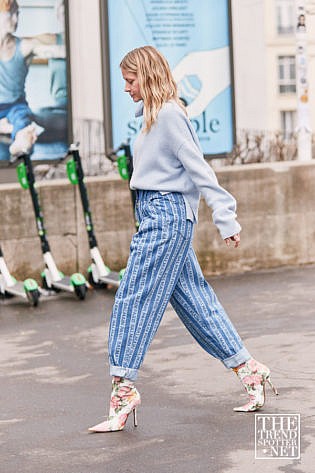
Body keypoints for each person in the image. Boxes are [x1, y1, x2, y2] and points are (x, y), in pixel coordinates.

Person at [88, 46, 278, 433]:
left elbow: (201, 171)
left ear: (148, 75)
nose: (125, 88)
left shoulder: (171, 116)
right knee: (195, 301)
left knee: (133, 295)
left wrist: (226, 218)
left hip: (165, 216)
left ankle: (123, 388)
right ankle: (249, 369)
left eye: (130, 80)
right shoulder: (154, 117)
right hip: (158, 215)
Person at [0, 0, 65, 157]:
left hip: (15, 108)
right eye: (11, 14)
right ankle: (7, 128)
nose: (16, 19)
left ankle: (18, 139)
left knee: (23, 122)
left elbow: (57, 50)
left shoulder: (24, 46)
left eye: (18, 14)